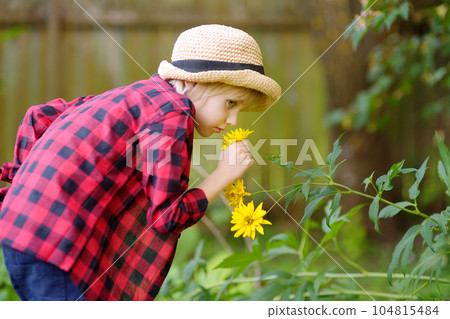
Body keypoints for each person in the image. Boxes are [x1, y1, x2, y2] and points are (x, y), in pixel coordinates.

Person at [0, 24, 281, 300]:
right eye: (231, 103)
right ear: (194, 82)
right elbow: (166, 217)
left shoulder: (135, 98)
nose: (233, 120)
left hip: (24, 232)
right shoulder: (173, 114)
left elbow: (39, 116)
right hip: (58, 248)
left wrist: (25, 186)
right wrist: (223, 175)